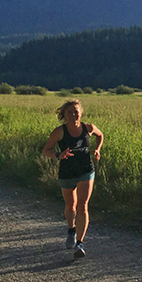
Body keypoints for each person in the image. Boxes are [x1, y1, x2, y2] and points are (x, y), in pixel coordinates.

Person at [42, 99, 103, 258]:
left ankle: (80, 243)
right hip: (67, 172)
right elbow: (45, 150)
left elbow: (100, 135)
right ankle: (71, 229)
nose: (74, 115)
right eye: (70, 112)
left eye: (76, 111)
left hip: (86, 170)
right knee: (71, 206)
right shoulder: (59, 132)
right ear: (64, 116)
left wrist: (97, 149)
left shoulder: (88, 128)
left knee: (83, 206)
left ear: (81, 113)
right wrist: (58, 155)